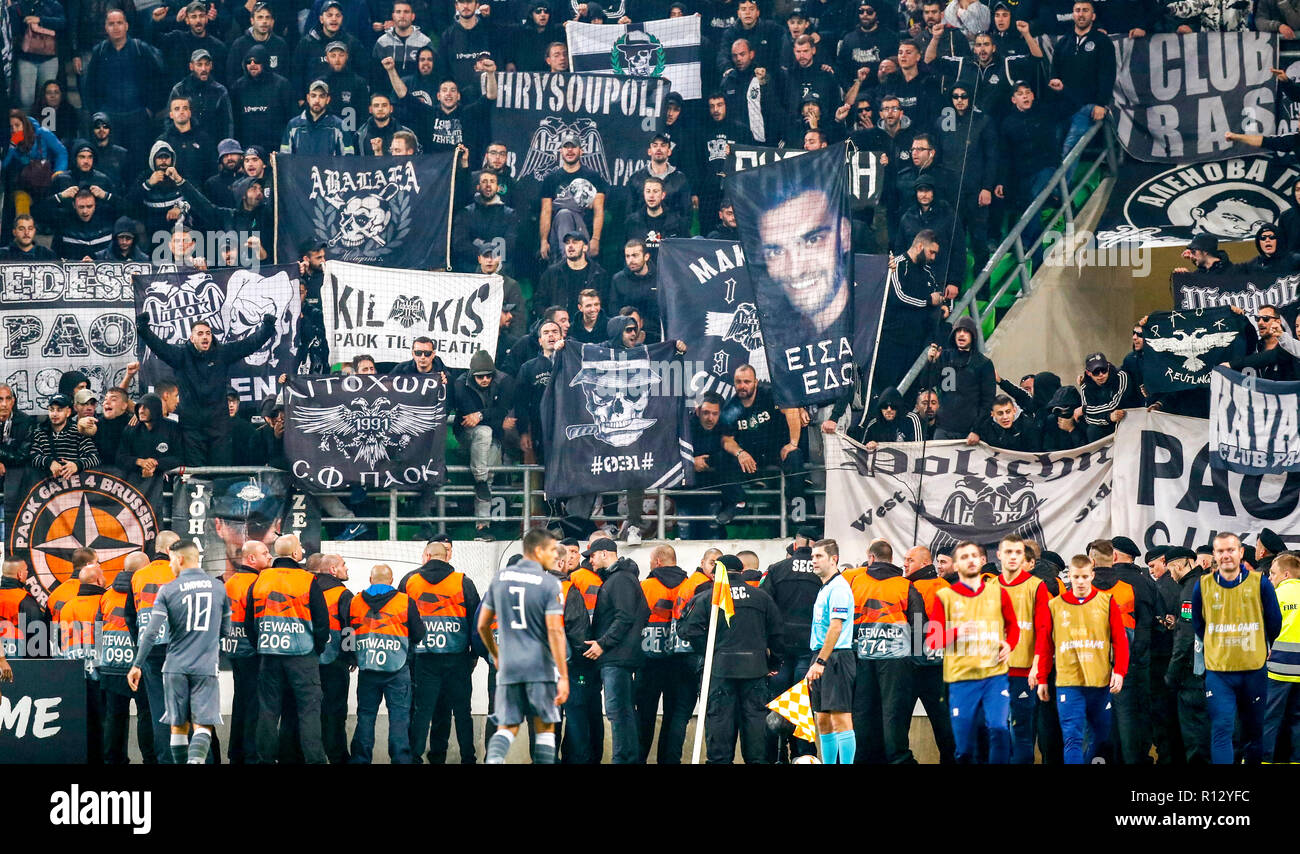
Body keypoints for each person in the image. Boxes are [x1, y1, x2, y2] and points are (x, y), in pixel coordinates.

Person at [127, 540, 229, 765]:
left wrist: (137, 662)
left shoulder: (142, 578)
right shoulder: (215, 585)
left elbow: (141, 625)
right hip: (200, 656)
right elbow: (224, 629)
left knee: (166, 717)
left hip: (160, 659)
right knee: (201, 718)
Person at [680, 551, 783, 764]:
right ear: (742, 571)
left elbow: (688, 630)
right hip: (755, 670)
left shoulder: (708, 597)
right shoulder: (761, 597)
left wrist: (710, 652)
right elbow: (778, 633)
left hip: (719, 670)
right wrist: (773, 662)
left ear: (718, 573)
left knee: (719, 725)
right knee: (755, 726)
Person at [478, 529, 570, 764]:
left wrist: (496, 655)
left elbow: (481, 626)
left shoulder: (499, 581)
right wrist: (563, 675)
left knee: (506, 727)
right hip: (539, 665)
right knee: (544, 728)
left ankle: (494, 760)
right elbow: (555, 631)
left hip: (509, 665)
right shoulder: (548, 583)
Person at [135, 313, 275, 467]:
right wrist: (143, 328)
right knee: (196, 473)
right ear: (192, 338)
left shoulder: (222, 353)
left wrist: (267, 327)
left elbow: (249, 344)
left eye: (208, 333)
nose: (205, 337)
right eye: (200, 333)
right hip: (191, 426)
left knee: (220, 470)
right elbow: (158, 346)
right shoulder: (180, 355)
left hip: (218, 425)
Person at [1193, 531, 1283, 764]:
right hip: (1219, 673)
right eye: (1221, 551)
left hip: (1253, 670)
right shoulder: (1202, 586)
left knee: (1253, 733)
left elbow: (1274, 623)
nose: (1226, 555)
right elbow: (1199, 625)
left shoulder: (1260, 584)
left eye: (1231, 550)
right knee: (1222, 728)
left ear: (1241, 552)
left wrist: (1260, 646)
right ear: (1214, 554)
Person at [927, 539, 1019, 763]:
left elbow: (1013, 628)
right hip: (961, 678)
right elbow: (933, 640)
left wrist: (1009, 644)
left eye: (973, 556)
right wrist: (957, 631)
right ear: (956, 565)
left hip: (993, 677)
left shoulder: (998, 594)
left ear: (982, 561)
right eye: (963, 557)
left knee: (998, 729)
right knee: (966, 746)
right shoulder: (945, 597)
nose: (970, 560)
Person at [1034, 555, 1129, 764]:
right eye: (1076, 577)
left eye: (1085, 576)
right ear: (1069, 576)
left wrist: (1120, 671)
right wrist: (1042, 678)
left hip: (1100, 682)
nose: (1080, 581)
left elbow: (1120, 641)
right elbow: (1044, 644)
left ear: (1092, 575)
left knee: (1101, 737)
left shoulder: (1106, 602)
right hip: (1069, 683)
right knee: (1072, 738)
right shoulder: (1055, 606)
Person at [246, 534, 331, 764]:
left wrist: (262, 645)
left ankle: (265, 760)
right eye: (300, 547)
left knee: (268, 711)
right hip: (302, 656)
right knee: (309, 711)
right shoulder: (307, 580)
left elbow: (249, 623)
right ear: (295, 554)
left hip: (269, 656)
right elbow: (322, 623)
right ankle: (314, 760)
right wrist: (316, 649)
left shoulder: (260, 581)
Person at [401, 538, 480, 764]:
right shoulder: (463, 582)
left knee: (422, 712)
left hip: (424, 659)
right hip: (457, 657)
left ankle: (414, 757)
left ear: (426, 556)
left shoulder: (410, 582)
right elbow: (476, 621)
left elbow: (401, 619)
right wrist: (473, 655)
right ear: (447, 557)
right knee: (462, 712)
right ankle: (467, 758)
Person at [849, 538, 925, 764]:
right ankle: (898, 759)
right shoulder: (905, 586)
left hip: (862, 657)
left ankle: (863, 759)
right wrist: (916, 660)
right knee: (894, 713)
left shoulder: (854, 583)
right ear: (892, 560)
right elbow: (920, 624)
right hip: (896, 660)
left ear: (870, 558)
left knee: (862, 711)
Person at [349, 563, 425, 764]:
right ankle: (401, 760)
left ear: (370, 579)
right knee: (399, 719)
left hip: (367, 668)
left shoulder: (356, 602)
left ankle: (360, 759)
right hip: (398, 669)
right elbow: (419, 634)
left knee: (365, 717)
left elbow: (349, 634)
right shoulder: (404, 601)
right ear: (392, 581)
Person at [582, 537, 649, 763]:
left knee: (618, 712)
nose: (589, 560)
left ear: (604, 554)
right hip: (619, 658)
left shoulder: (620, 579)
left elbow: (625, 617)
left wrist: (603, 643)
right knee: (623, 712)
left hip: (616, 659)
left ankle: (623, 759)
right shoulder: (621, 578)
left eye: (591, 555)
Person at [716, 364, 807, 526]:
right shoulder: (731, 409)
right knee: (723, 457)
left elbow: (792, 410)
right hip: (753, 453)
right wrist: (740, 453)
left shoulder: (770, 394)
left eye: (747, 382)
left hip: (777, 448)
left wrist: (793, 443)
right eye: (738, 382)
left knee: (796, 455)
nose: (742, 386)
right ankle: (738, 503)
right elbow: (726, 440)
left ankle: (797, 507)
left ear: (755, 382)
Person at [995, 534, 1050, 764]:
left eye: (1017, 552)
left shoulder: (1036, 586)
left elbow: (1044, 631)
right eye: (1008, 551)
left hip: (1023, 671)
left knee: (1022, 733)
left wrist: (1038, 668)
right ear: (998, 555)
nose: (1012, 557)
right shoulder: (989, 586)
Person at [635, 545, 690, 763]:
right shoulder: (688, 586)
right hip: (680, 661)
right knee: (674, 717)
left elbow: (634, 621)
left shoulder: (645, 586)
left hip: (648, 662)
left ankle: (639, 759)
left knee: (644, 717)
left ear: (658, 561)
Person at [902, 545, 956, 763]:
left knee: (899, 723)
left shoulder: (908, 588)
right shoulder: (948, 587)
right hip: (940, 666)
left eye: (910, 560)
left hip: (912, 665)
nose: (905, 563)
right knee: (944, 725)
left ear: (925, 563)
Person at [806, 539, 856, 763]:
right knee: (823, 719)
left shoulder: (839, 588)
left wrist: (821, 662)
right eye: (813, 556)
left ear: (833, 559)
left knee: (840, 717)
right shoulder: (825, 587)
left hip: (835, 657)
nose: (813, 561)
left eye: (819, 557)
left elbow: (836, 626)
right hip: (820, 655)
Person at [222, 540, 268, 765]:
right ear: (251, 558)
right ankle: (251, 755)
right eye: (265, 553)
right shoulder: (256, 583)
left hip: (233, 649)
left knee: (240, 700)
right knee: (253, 705)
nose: (269, 557)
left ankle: (236, 753)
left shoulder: (230, 582)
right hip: (252, 651)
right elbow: (255, 622)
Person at [1164, 546, 1211, 763]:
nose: (1170, 575)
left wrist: (1172, 674)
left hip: (1192, 674)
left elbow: (1187, 638)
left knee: (1194, 734)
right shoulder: (1207, 583)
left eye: (1170, 569)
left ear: (1179, 565)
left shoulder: (1188, 591)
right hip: (1211, 669)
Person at [308, 553, 352, 764]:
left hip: (309, 661)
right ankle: (338, 757)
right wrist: (350, 656)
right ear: (333, 570)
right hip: (335, 662)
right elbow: (349, 628)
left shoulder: (308, 589)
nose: (346, 568)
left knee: (310, 712)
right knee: (335, 712)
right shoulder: (343, 594)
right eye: (343, 565)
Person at [922, 317, 995, 442]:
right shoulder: (943, 356)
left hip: (969, 432)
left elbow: (988, 401)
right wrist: (931, 363)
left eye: (966, 331)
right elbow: (926, 383)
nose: (961, 334)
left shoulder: (984, 363)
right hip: (943, 428)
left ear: (973, 336)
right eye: (958, 330)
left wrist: (977, 430)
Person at [538, 133, 607, 258]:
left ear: (581, 151)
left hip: (583, 231)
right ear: (561, 151)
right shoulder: (551, 179)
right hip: (558, 235)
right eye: (566, 147)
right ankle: (566, 262)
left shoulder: (593, 177)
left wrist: (596, 239)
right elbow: (546, 211)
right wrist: (543, 240)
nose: (570, 150)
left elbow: (599, 210)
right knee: (564, 213)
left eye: (573, 147)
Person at [1263, 552, 1300, 763]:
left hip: (1278, 669)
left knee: (1268, 719)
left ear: (1285, 574)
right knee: (1298, 722)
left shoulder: (1275, 596)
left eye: (1273, 573)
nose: (1270, 578)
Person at [31, 393, 100, 478]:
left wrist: (76, 465)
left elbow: (94, 457)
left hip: (74, 487)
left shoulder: (78, 432)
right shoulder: (40, 432)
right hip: (46, 487)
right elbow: (32, 456)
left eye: (59, 410)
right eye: (52, 410)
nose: (54, 414)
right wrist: (49, 463)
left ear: (68, 412)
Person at [280, 80, 356, 155]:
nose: (317, 100)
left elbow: (348, 159)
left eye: (322, 96)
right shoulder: (293, 125)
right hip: (300, 168)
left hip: (329, 168)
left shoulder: (340, 125)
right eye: (313, 95)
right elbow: (285, 158)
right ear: (308, 98)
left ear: (328, 99)